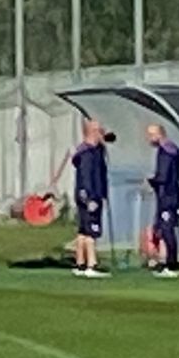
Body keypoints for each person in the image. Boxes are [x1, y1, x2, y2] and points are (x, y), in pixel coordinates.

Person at [71, 119, 110, 278]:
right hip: (89, 195)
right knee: (91, 229)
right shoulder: (87, 154)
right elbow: (86, 177)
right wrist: (90, 198)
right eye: (100, 131)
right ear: (93, 132)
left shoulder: (95, 151)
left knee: (83, 229)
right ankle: (91, 265)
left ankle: (80, 263)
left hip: (87, 194)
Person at [146, 124, 179, 278]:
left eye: (151, 134)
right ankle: (165, 261)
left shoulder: (166, 152)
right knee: (162, 228)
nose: (149, 138)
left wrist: (151, 181)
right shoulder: (171, 150)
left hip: (167, 196)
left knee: (167, 230)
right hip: (169, 195)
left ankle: (172, 264)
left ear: (159, 134)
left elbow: (163, 176)